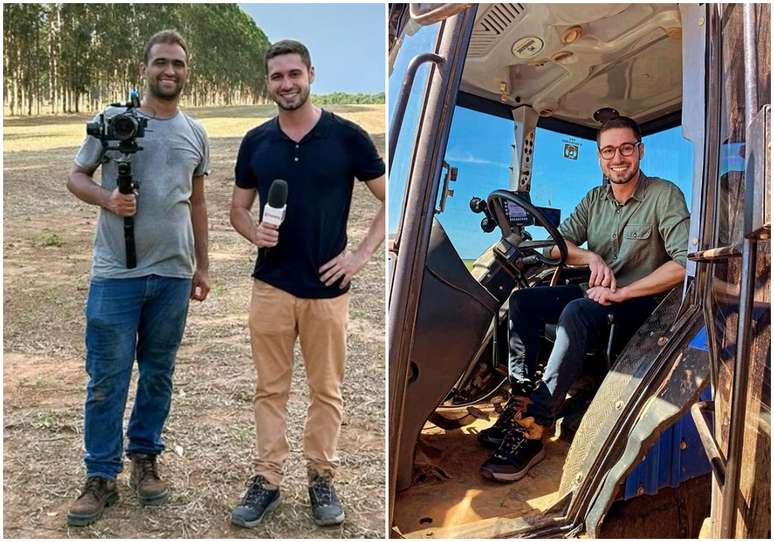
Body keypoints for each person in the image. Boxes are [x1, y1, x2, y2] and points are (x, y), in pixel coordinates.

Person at [478, 116, 690, 482]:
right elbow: (560, 246)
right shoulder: (594, 199)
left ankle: (535, 426)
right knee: (524, 302)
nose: (618, 157)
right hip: (596, 292)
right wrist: (591, 257)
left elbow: (683, 264)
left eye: (626, 148)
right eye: (609, 150)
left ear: (639, 151)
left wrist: (622, 291)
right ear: (599, 157)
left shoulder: (664, 195)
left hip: (640, 303)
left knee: (577, 311)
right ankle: (521, 403)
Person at [228, 39, 385, 528]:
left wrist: (358, 255)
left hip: (326, 292)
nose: (286, 84)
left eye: (294, 74)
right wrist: (252, 229)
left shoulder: (347, 138)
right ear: (268, 82)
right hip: (271, 286)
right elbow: (237, 207)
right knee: (269, 390)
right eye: (277, 76)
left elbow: (393, 197)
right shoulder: (257, 142)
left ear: (311, 74)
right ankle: (267, 480)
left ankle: (322, 478)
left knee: (326, 391)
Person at [65, 30, 210, 526]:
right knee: (106, 378)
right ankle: (100, 475)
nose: (169, 72)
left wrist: (203, 266)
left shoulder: (195, 132)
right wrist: (107, 199)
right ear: (144, 68)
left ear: (187, 72)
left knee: (158, 373)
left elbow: (198, 204)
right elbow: (76, 176)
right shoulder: (111, 121)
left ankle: (144, 459)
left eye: (178, 64)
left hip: (173, 274)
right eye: (161, 63)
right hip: (116, 274)